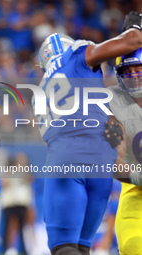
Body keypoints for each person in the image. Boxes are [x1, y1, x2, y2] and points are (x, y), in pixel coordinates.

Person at [35, 11, 142, 255]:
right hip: (100, 162)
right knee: (83, 248)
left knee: (65, 247)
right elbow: (133, 39)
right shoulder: (78, 55)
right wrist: (135, 25)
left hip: (66, 157)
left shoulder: (41, 89)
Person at [109, 44, 142, 254]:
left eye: (138, 69)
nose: (133, 75)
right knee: (133, 246)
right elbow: (113, 161)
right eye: (126, 71)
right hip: (135, 200)